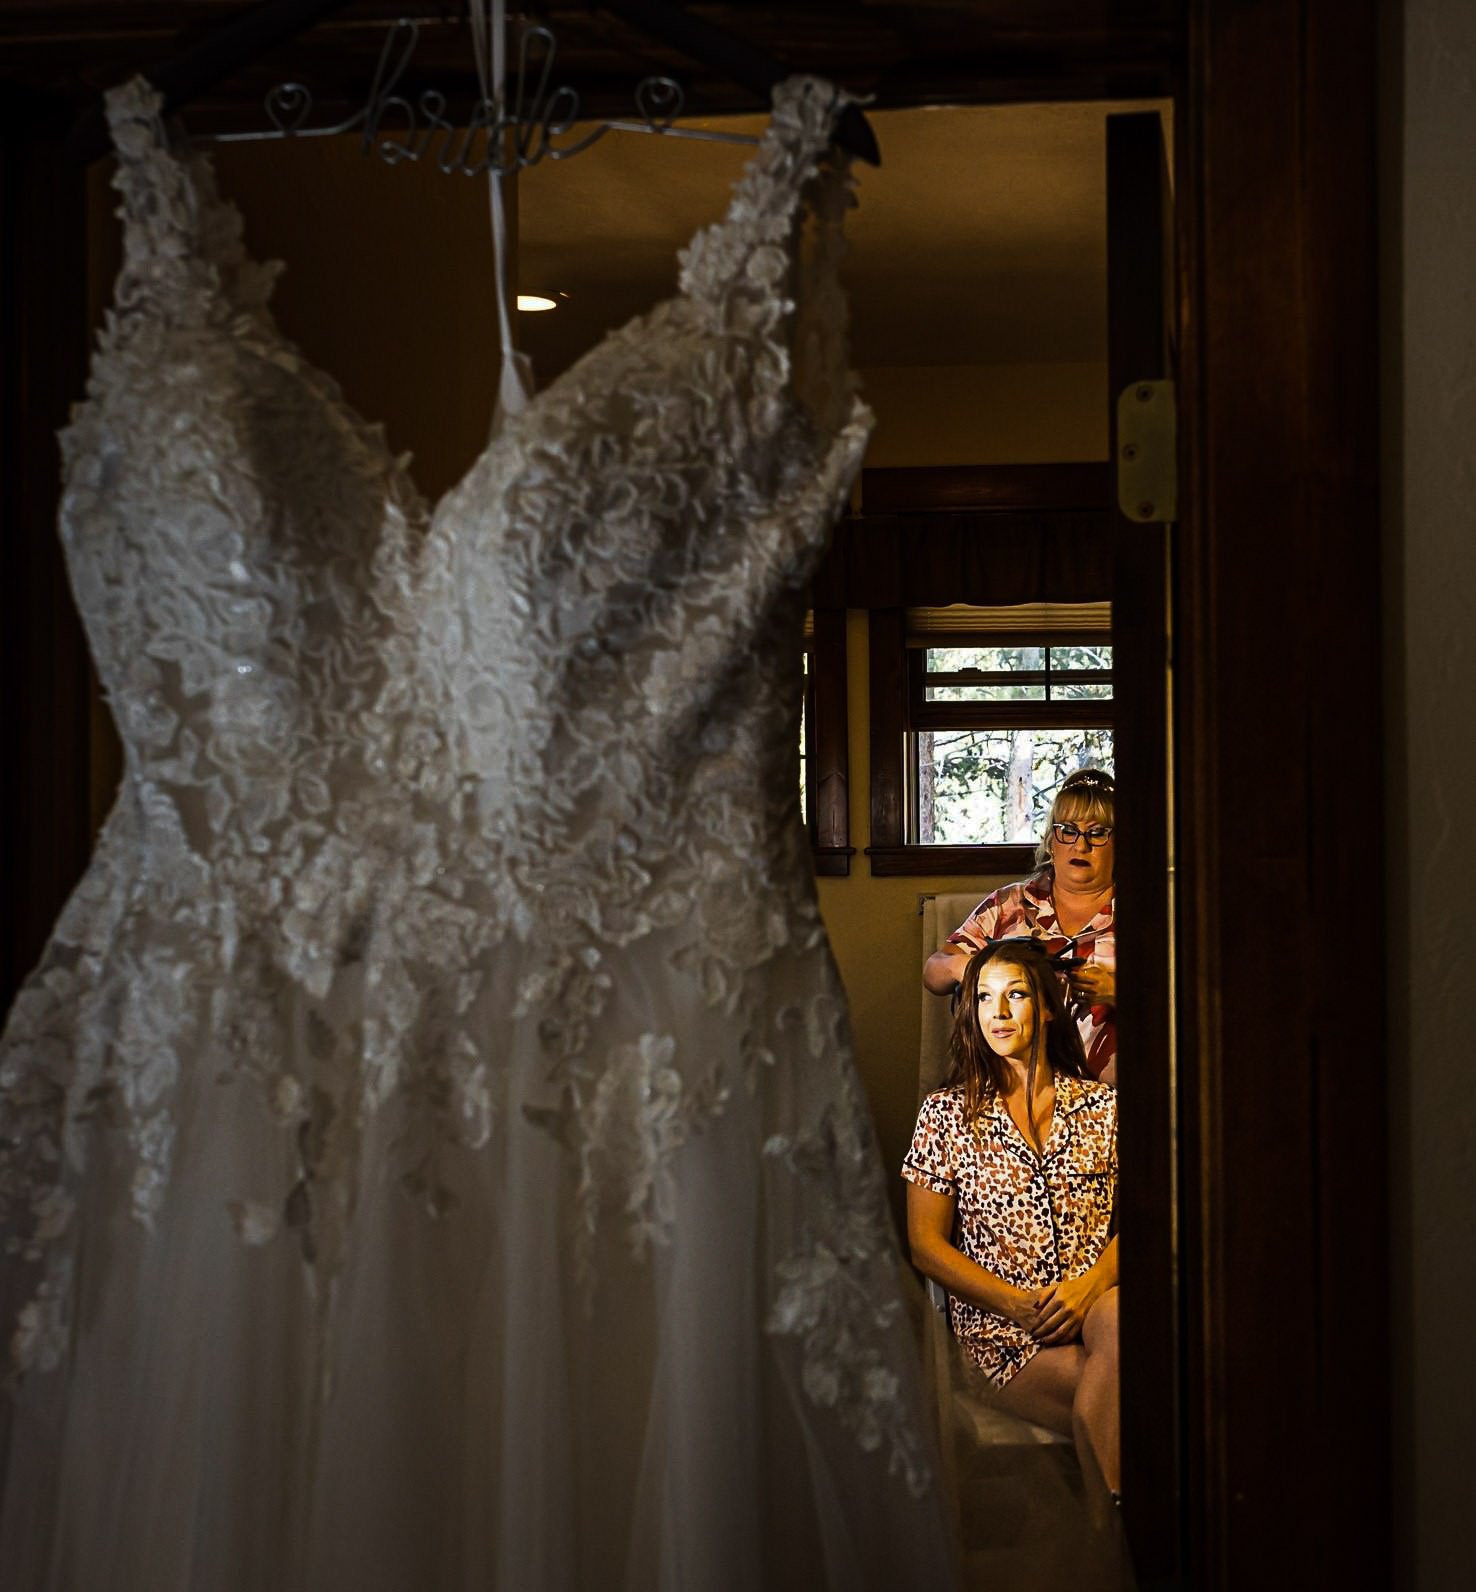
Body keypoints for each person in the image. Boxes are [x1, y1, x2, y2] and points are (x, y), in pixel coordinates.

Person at [903, 941, 1120, 1494]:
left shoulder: (1105, 1108)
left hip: (1098, 1309)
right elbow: (925, 1246)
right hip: (1005, 1336)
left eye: (1015, 995)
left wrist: (1090, 1285)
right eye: (983, 998)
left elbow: (1147, 1217)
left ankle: (1108, 1541)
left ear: (1046, 1006)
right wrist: (1018, 1306)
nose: (996, 1014)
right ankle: (1122, 1544)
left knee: (1119, 1316)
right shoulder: (947, 1114)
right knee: (1144, 1396)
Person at [923, 767, 1117, 1083]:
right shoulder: (1009, 905)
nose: (1081, 846)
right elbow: (934, 972)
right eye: (1067, 830)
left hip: (1109, 1101)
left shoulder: (1147, 916)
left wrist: (1119, 993)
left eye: (1097, 833)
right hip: (1004, 1092)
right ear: (1052, 841)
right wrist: (974, 970)